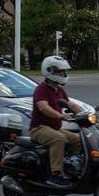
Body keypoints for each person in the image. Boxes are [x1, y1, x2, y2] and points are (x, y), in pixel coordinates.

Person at [29, 55, 83, 188]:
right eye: (60, 71)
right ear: (49, 71)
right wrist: (61, 116)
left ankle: (72, 166)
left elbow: (71, 105)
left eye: (64, 71)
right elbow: (43, 107)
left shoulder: (59, 90)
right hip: (39, 128)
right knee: (58, 139)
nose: (63, 74)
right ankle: (55, 175)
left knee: (78, 139)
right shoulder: (41, 89)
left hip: (54, 128)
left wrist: (87, 114)